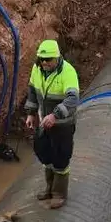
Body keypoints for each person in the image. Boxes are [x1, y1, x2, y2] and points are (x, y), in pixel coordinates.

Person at [24, 39, 80, 209]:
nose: (45, 63)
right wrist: (31, 114)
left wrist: (55, 116)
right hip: (44, 122)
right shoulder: (37, 69)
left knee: (61, 158)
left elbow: (73, 99)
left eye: (49, 59)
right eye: (42, 59)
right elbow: (33, 90)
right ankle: (49, 188)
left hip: (62, 125)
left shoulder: (67, 72)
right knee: (44, 153)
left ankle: (59, 194)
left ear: (58, 57)